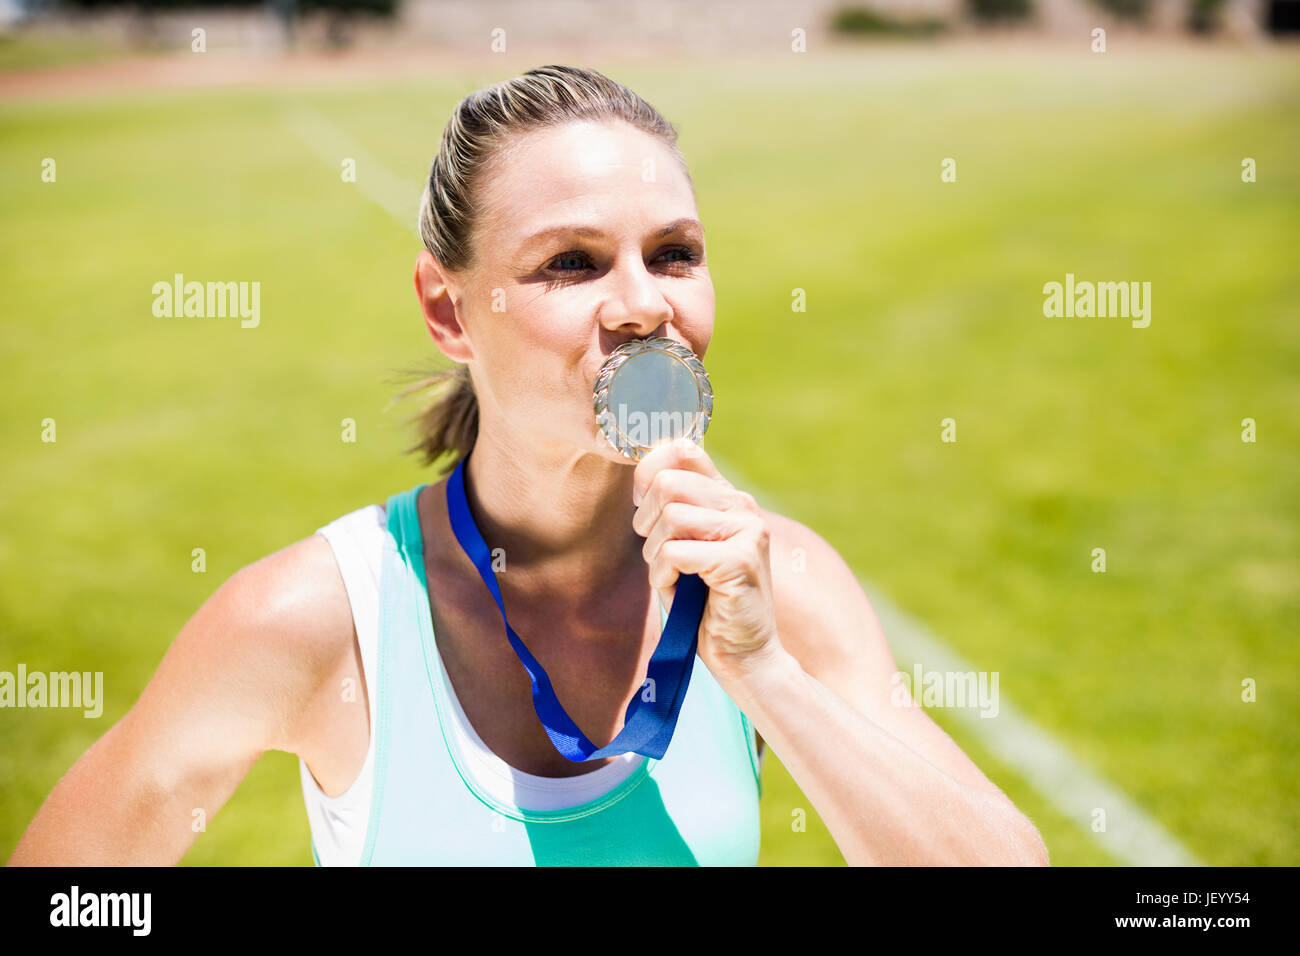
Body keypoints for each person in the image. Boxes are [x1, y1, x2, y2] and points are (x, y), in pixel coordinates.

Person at [8, 64, 1048, 867]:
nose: (643, 304)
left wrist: (762, 670)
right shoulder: (321, 618)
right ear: (449, 308)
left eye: (674, 253)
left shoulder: (781, 585)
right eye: (571, 262)